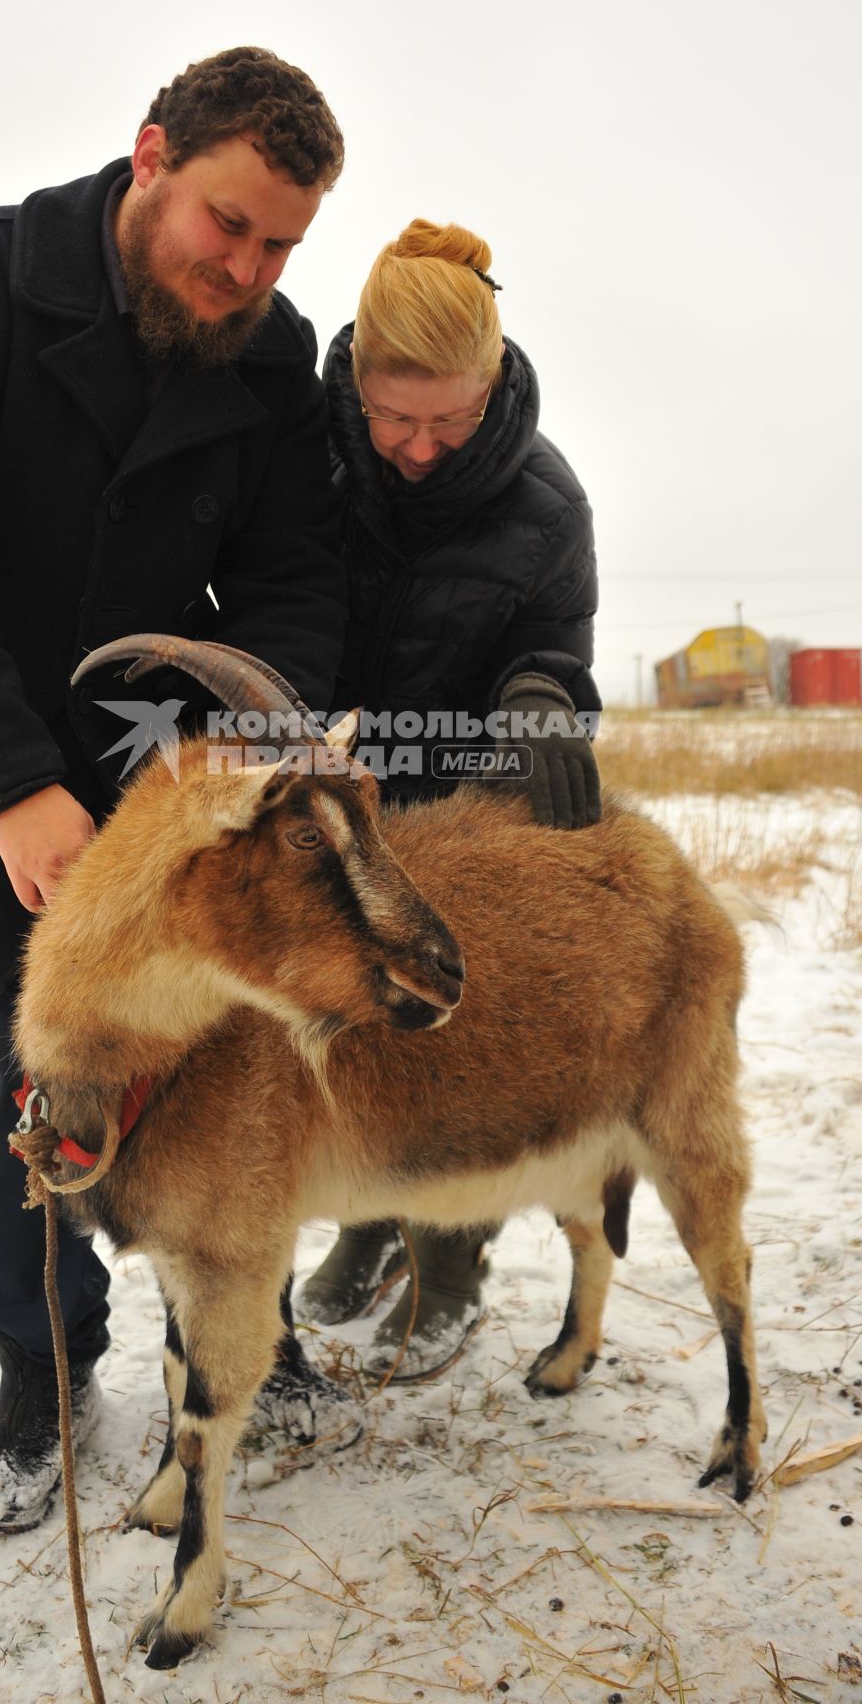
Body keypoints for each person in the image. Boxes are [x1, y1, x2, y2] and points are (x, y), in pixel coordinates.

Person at [0, 47, 353, 1532]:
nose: (244, 268)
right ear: (149, 159)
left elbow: (292, 576)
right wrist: (4, 786)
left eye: (278, 245)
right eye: (224, 225)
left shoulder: (270, 354)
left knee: (222, 1081)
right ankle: (38, 1368)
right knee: (18, 1105)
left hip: (160, 806)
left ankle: (240, 1326)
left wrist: (233, 757)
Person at [297, 218, 601, 1380]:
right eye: (393, 417)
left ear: (492, 383)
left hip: (460, 805)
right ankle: (370, 1220)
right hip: (330, 797)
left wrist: (537, 698)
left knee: (447, 1030)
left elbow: (552, 646)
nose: (419, 449)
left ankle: (453, 1251)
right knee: (343, 1022)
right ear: (355, 378)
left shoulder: (544, 504)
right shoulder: (304, 456)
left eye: (450, 420)